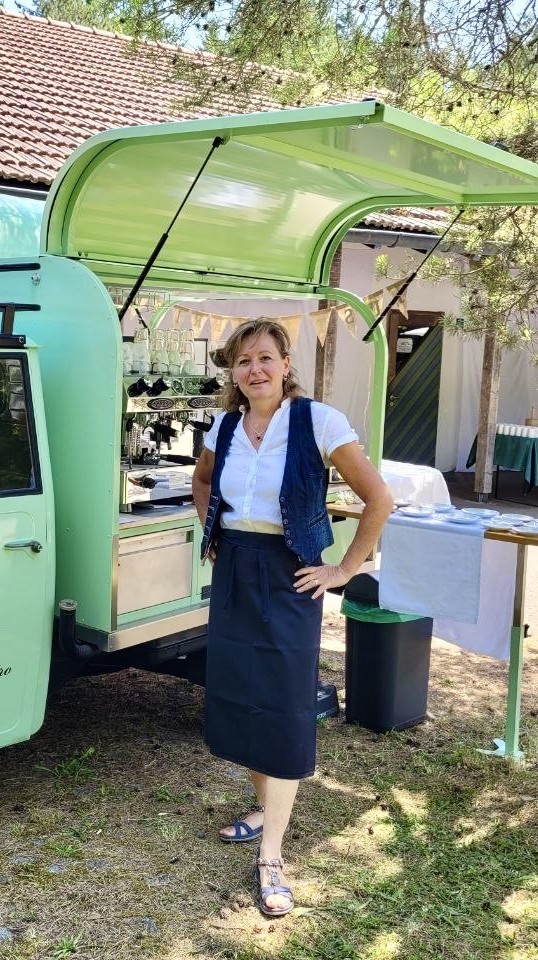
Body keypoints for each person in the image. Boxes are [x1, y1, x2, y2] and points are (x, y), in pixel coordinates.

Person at [190, 318, 392, 918]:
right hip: (235, 569)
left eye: (265, 357)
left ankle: (272, 855)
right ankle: (263, 809)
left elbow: (378, 499)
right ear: (233, 373)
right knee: (241, 695)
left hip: (291, 573)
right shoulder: (225, 426)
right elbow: (203, 480)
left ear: (285, 364)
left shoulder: (319, 422)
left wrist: (344, 569)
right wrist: (211, 531)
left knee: (281, 704)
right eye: (243, 360)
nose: (254, 369)